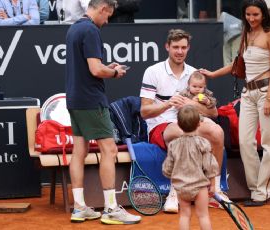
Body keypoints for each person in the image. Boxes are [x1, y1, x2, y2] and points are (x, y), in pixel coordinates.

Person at [65, 0, 141, 225]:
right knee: (109, 150)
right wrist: (114, 72)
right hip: (91, 100)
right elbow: (95, 69)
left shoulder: (74, 28)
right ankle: (111, 208)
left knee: (80, 150)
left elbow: (90, 67)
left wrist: (108, 67)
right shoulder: (90, 29)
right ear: (102, 9)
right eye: (108, 16)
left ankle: (79, 208)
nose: (107, 21)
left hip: (75, 98)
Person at [201, 0, 270, 207]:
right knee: (245, 142)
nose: (252, 19)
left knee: (269, 144)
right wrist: (212, 74)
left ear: (263, 14)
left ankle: (264, 192)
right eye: (248, 15)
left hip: (266, 91)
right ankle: (255, 188)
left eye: (255, 15)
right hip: (248, 93)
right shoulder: (245, 34)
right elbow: (236, 64)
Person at [140, 28, 227, 213]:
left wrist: (191, 104)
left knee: (217, 133)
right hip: (161, 125)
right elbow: (145, 112)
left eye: (183, 47)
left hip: (191, 122)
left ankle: (215, 191)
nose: (180, 51)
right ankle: (174, 192)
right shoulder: (153, 71)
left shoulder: (194, 74)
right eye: (175, 47)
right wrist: (168, 104)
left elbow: (214, 113)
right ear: (167, 47)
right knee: (181, 134)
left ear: (188, 48)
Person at [162, 105, 219, 230]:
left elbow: (167, 168)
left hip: (182, 188)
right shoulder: (203, 143)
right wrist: (214, 185)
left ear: (178, 124)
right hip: (199, 187)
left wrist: (171, 176)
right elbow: (210, 166)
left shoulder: (173, 145)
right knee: (203, 216)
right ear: (199, 124)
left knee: (184, 215)